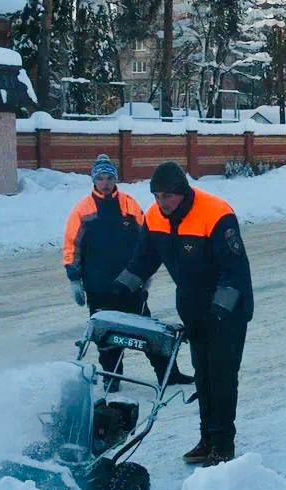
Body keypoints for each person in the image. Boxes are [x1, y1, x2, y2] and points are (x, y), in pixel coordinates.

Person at [114, 161, 253, 466]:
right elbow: (144, 259)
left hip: (227, 311)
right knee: (202, 378)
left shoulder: (216, 214)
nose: (162, 203)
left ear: (182, 192)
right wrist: (122, 288)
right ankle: (207, 439)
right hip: (194, 309)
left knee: (222, 376)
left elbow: (235, 271)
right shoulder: (154, 217)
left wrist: (220, 308)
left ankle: (223, 444)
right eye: (157, 197)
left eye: (167, 197)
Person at [62, 154, 193, 391]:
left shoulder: (129, 204)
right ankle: (112, 379)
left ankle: (169, 374)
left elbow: (150, 239)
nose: (105, 183)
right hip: (98, 286)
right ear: (94, 180)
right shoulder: (82, 210)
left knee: (148, 332)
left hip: (131, 283)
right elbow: (72, 246)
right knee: (107, 336)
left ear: (115, 178)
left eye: (109, 177)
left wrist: (146, 276)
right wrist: (74, 280)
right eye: (100, 178)